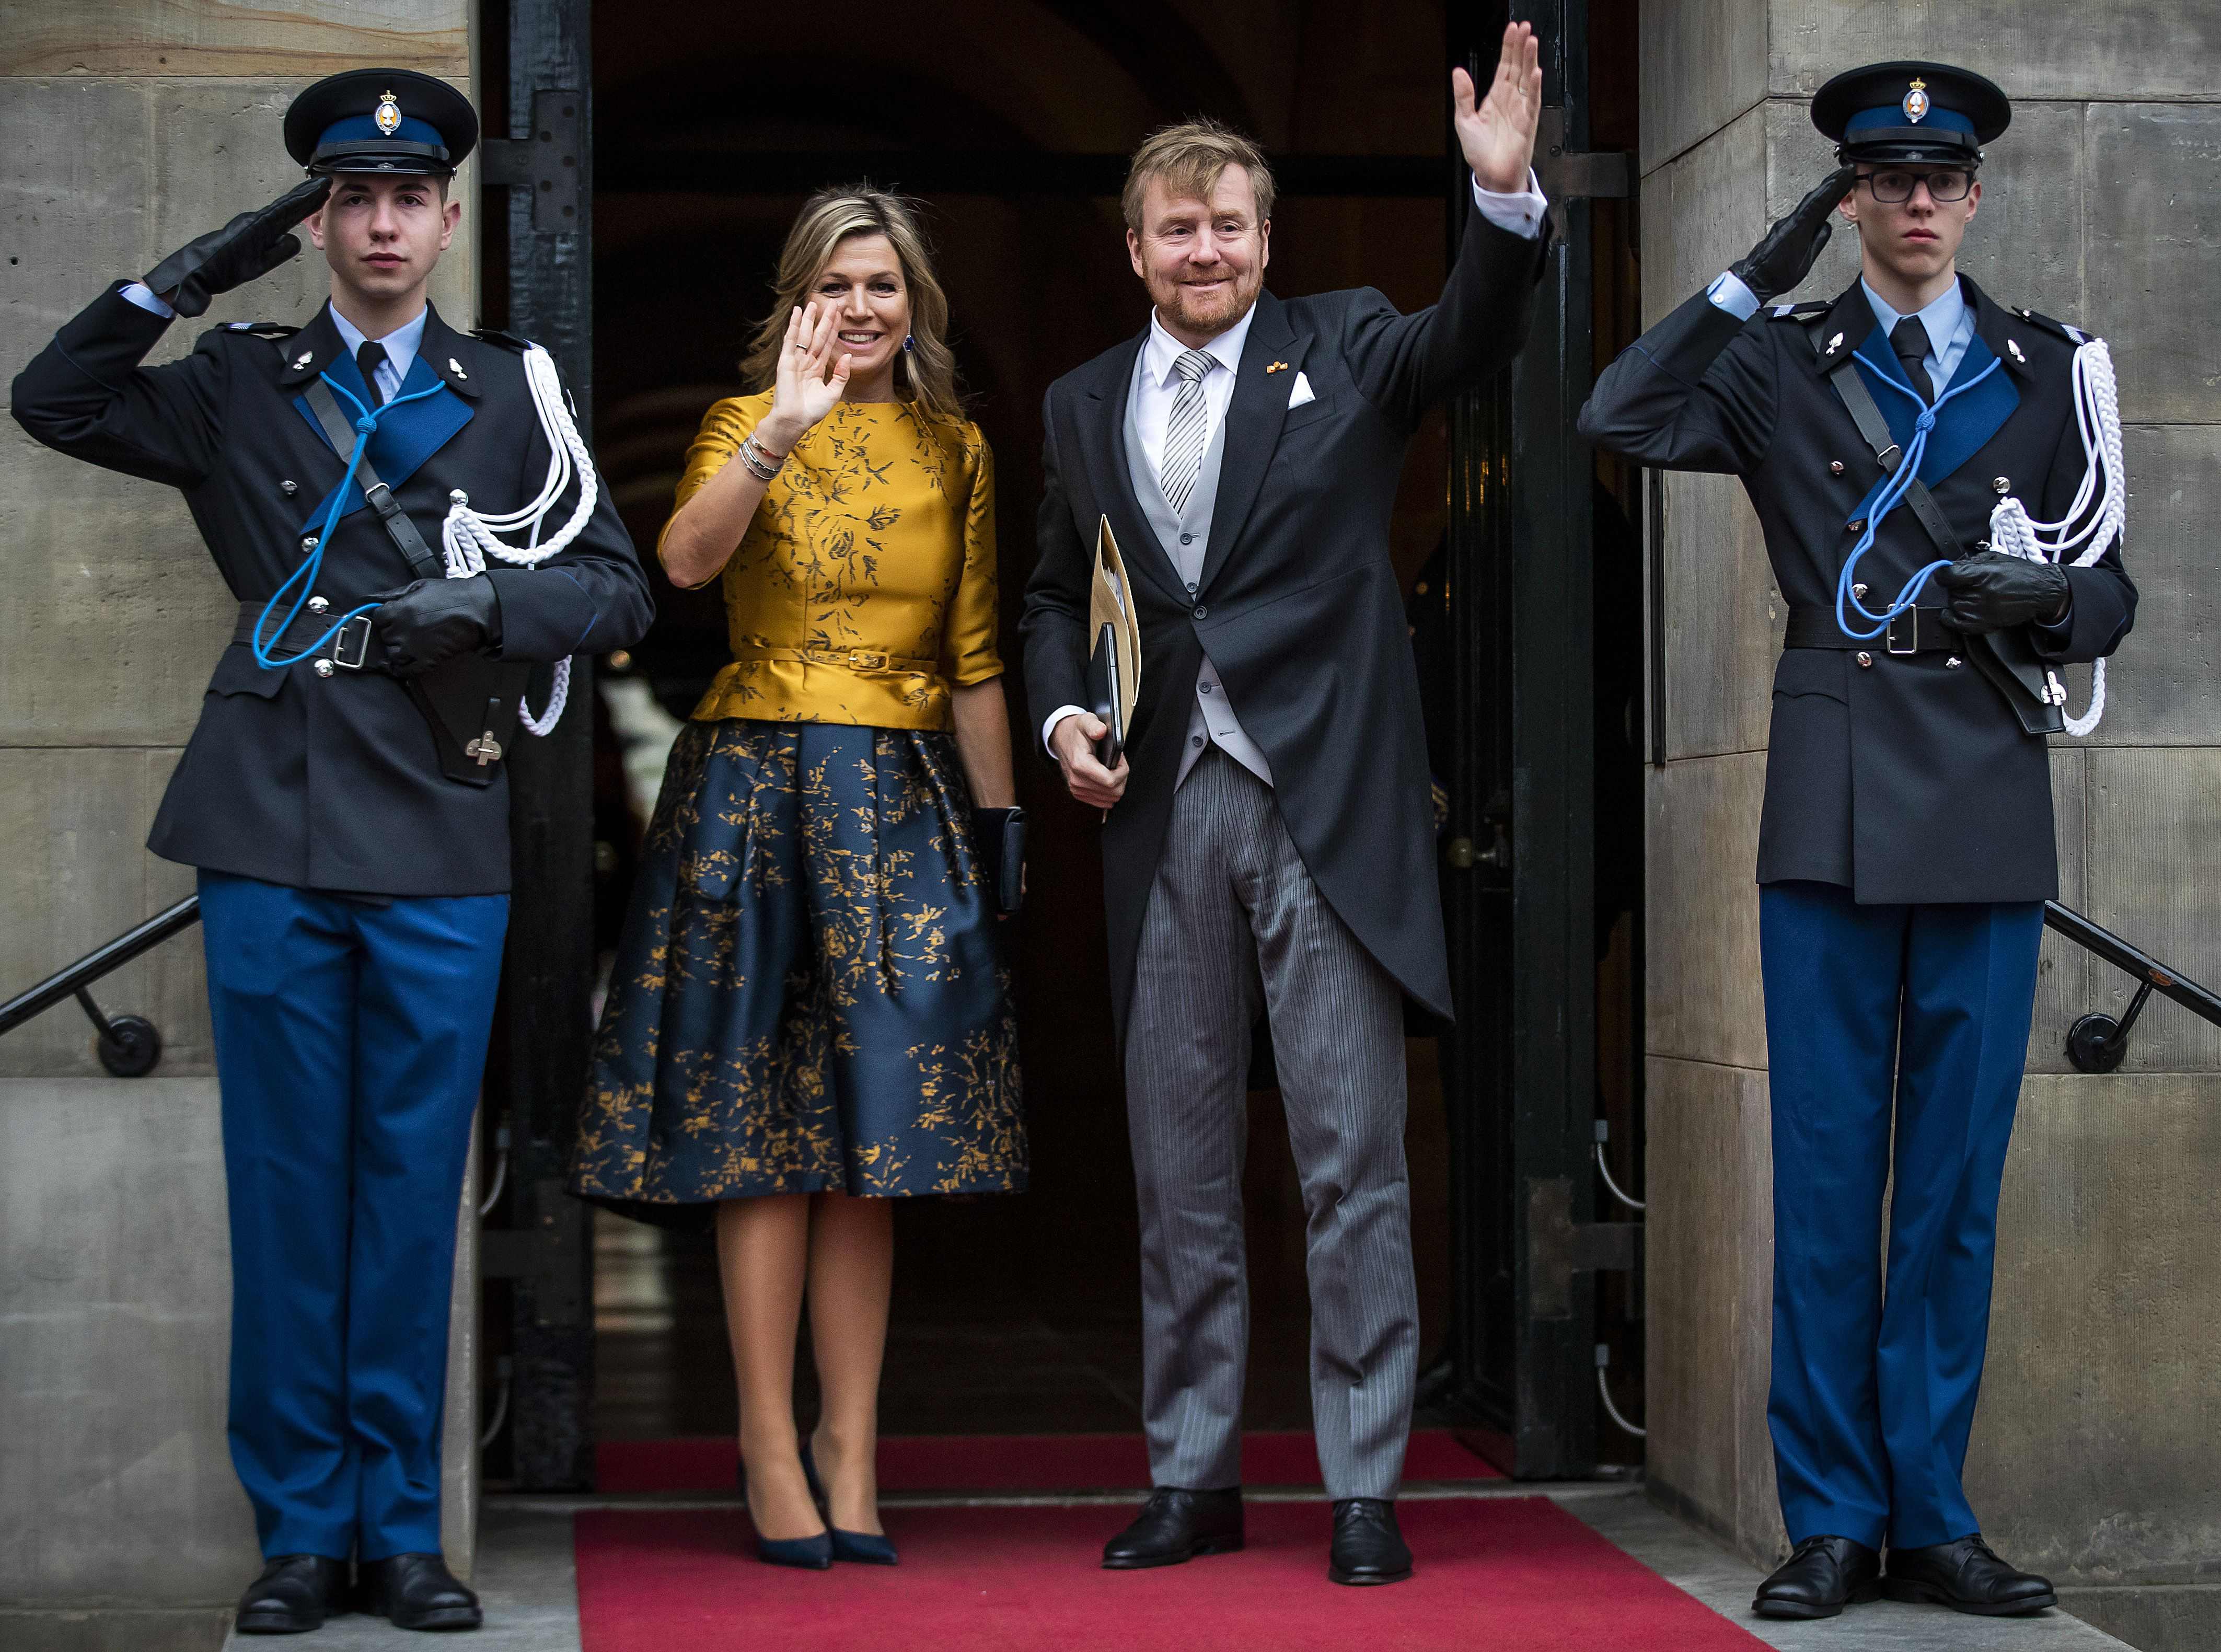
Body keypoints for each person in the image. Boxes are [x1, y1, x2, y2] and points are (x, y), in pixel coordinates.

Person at [11, 70, 652, 1634]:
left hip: (440, 807)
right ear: (319, 223)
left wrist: (491, 607)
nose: (380, 223)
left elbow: (620, 594)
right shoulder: (239, 377)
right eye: (347, 200)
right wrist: (196, 270)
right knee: (288, 1183)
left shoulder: (514, 394)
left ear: (445, 222)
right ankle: (302, 1528)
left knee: (409, 1181)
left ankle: (403, 1529)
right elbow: (55, 396)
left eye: (406, 199)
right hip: (273, 810)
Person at [1580, 62, 2134, 1622]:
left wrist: (2050, 604)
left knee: (1951, 1185)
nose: (1908, 201)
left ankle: (1932, 1513)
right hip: (1828, 801)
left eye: (1933, 177)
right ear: (1848, 198)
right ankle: (1828, 1514)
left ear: (1971, 195)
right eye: (1876, 179)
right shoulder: (1779, 359)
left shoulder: (2047, 369)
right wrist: (1755, 268)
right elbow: (1615, 408)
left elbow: (2109, 586)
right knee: (1827, 1173)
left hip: (1980, 793)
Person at [1019, 24, 1547, 1588]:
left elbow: (1471, 332)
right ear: (1135, 248)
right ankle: (1190, 1473)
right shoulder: (1077, 399)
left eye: (1229, 225)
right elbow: (1056, 593)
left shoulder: (1350, 341)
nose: (1205, 249)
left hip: (1323, 800)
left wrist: (1504, 201)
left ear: (1266, 239)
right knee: (1178, 1166)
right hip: (1158, 802)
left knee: (1348, 1159)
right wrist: (1060, 713)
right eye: (1177, 227)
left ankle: (1363, 1483)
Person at [570, 188, 1025, 1570]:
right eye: (836, 284)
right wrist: (779, 425)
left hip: (901, 799)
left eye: (885, 282)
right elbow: (683, 562)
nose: (864, 306)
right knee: (762, 1134)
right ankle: (768, 1438)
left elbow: (975, 658)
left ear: (917, 300)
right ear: (797, 302)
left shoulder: (957, 449)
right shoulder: (736, 422)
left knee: (873, 1146)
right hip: (753, 787)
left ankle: (853, 1445)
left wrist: (1001, 831)